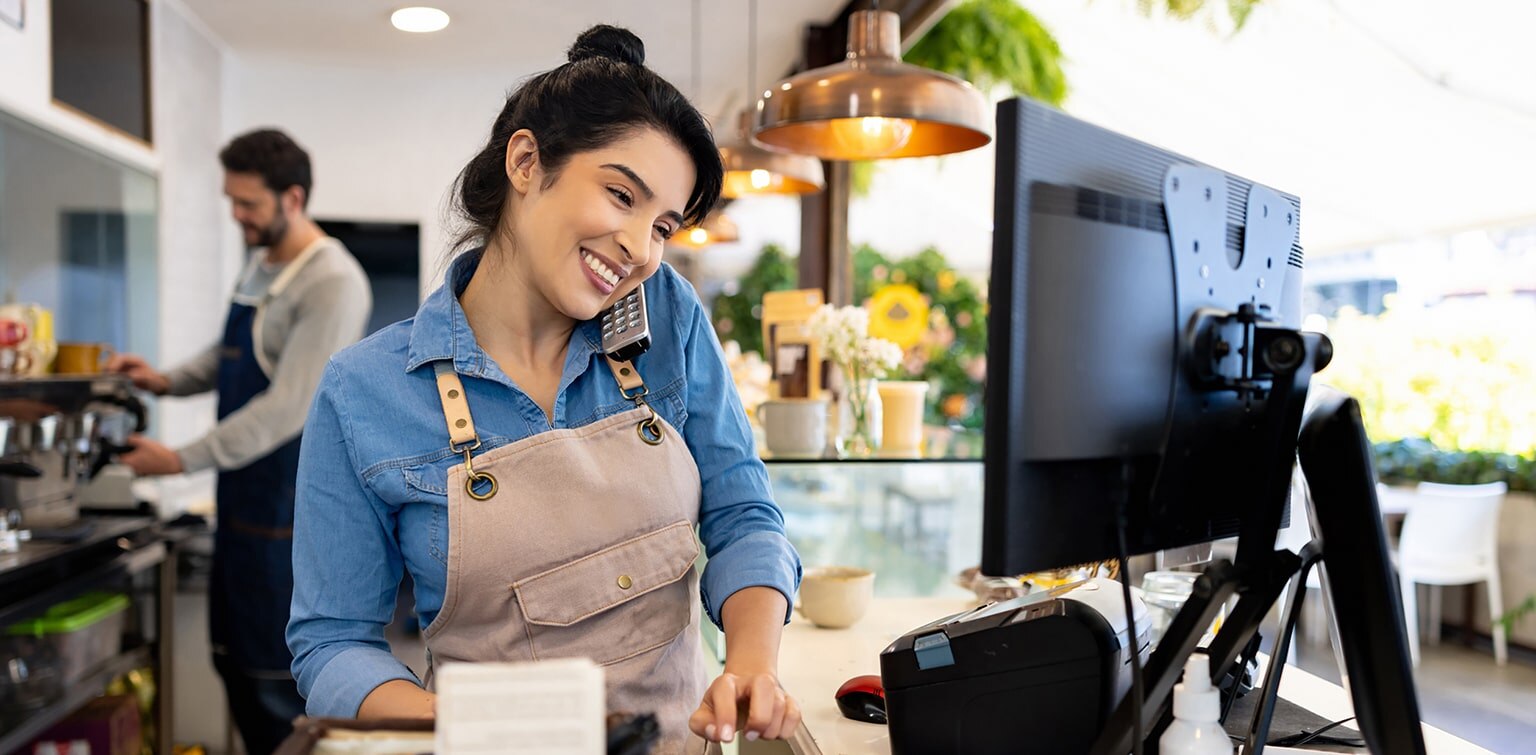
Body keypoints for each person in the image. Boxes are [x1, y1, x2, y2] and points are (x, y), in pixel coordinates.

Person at [286, 25, 802, 753]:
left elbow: (745, 516)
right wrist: (467, 726)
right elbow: (332, 641)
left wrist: (753, 663)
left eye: (662, 226)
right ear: (527, 162)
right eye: (621, 195)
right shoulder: (362, 389)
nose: (640, 250)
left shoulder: (668, 319)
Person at [109, 129, 373, 755]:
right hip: (241, 509)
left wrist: (177, 458)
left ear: (293, 197)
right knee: (234, 670)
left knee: (278, 696)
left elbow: (286, 407)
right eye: (232, 201)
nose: (237, 216)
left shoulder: (332, 281)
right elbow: (228, 356)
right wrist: (164, 380)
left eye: (248, 204)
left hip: (288, 516)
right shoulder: (263, 264)